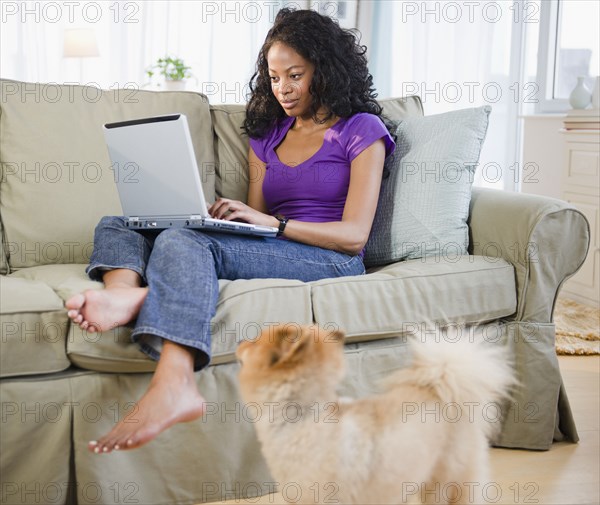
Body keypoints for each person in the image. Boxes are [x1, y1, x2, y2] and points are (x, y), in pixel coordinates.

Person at [65, 7, 396, 454]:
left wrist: (273, 225)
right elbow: (253, 222)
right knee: (125, 222)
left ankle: (176, 382)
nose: (284, 89)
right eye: (275, 77)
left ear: (326, 67)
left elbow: (355, 236)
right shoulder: (268, 132)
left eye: (295, 75)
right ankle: (123, 292)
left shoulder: (361, 130)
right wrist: (225, 216)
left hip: (332, 257)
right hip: (275, 243)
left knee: (184, 240)